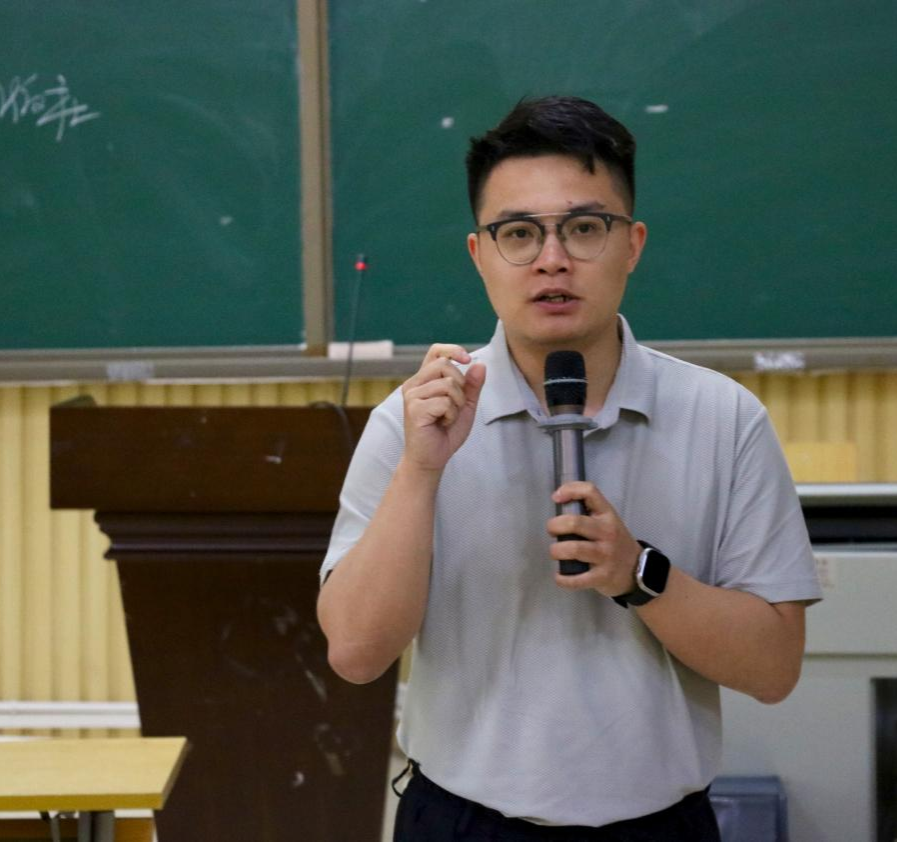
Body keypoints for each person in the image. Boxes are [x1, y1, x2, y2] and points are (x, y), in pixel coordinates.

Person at [317, 95, 822, 841]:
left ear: (633, 244)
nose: (552, 259)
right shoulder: (416, 419)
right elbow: (356, 654)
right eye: (519, 233)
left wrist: (638, 572)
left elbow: (774, 670)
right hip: (464, 823)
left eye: (584, 228)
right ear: (479, 255)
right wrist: (421, 472)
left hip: (660, 827)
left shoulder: (724, 418)